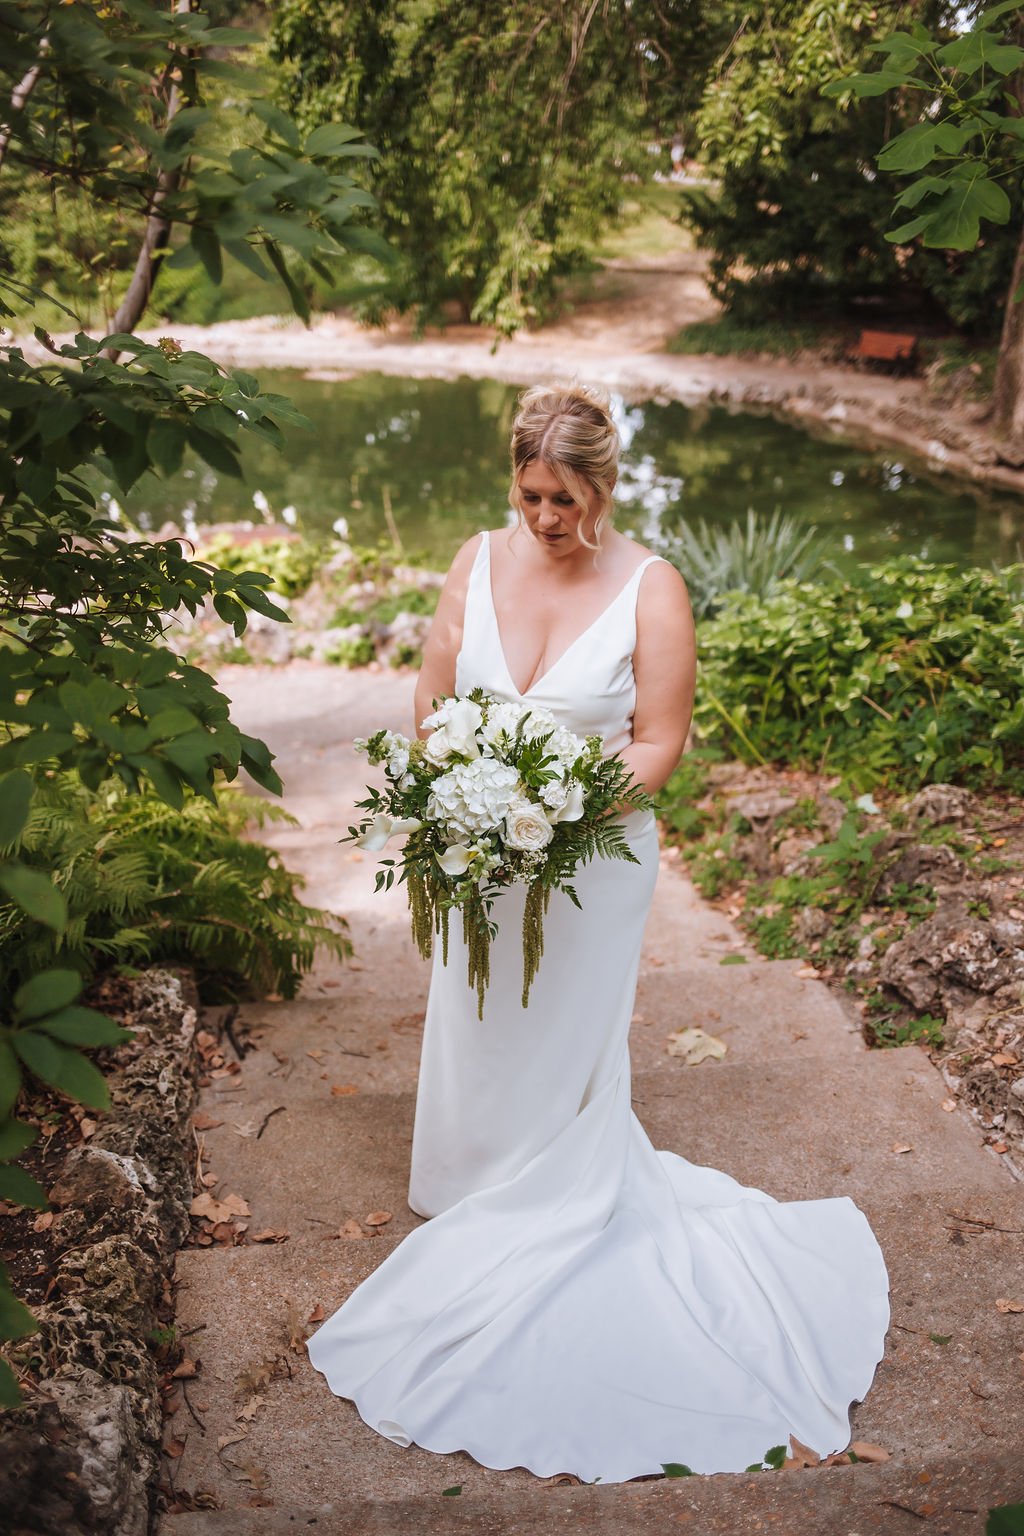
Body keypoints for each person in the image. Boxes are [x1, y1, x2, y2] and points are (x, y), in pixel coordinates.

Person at [307, 382, 891, 1483]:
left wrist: (549, 809)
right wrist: (462, 795)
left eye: (565, 499)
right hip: (483, 857)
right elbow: (431, 711)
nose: (545, 519)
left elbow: (656, 745)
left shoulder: (648, 588)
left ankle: (552, 1202)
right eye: (529, 494)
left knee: (562, 1042)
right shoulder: (473, 563)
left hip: (590, 863)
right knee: (478, 1020)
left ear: (603, 485)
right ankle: (474, 1190)